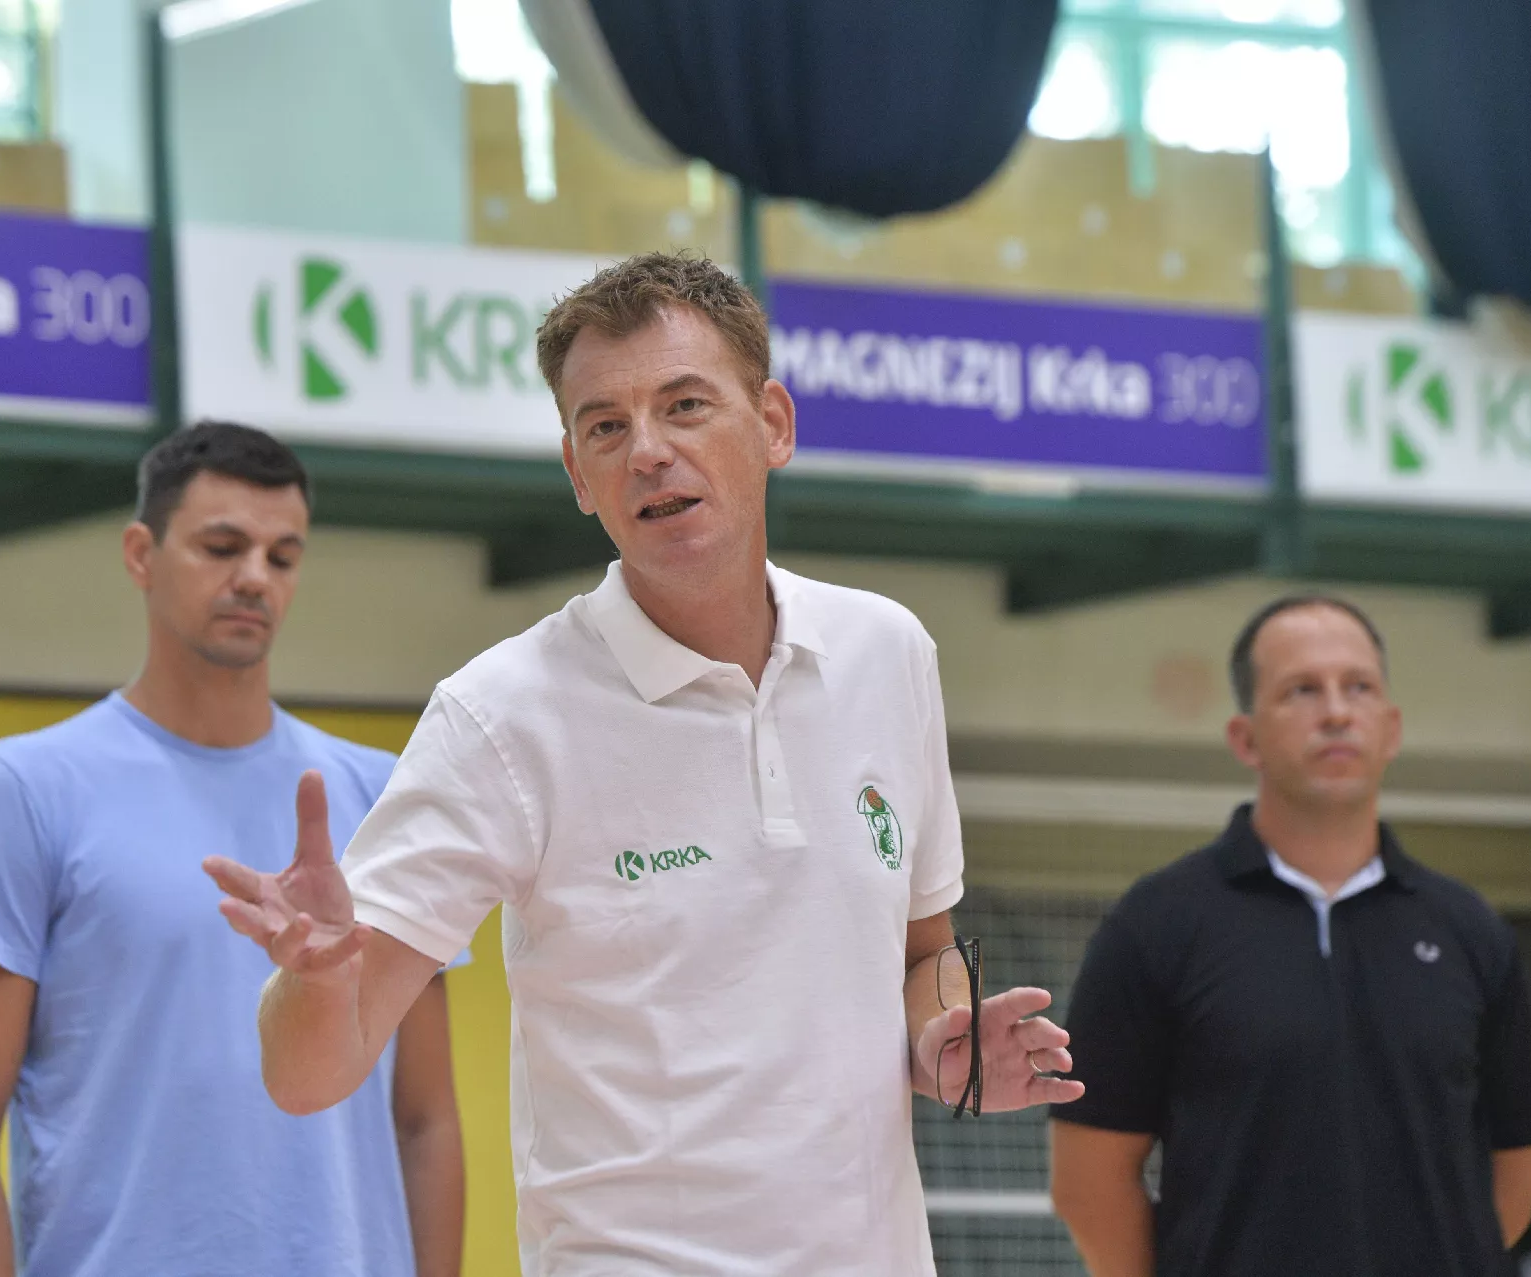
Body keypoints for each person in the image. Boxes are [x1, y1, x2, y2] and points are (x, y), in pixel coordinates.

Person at [204, 253, 1084, 1276]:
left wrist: (943, 1040)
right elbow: (306, 1075)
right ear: (577, 475)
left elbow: (920, 951)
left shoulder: (886, 653)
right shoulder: (500, 714)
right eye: (605, 427)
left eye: (684, 406)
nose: (648, 451)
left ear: (773, 424)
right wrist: (317, 978)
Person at [0, 422, 465, 1277]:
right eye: (222, 546)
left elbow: (426, 1120)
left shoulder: (377, 793)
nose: (255, 577)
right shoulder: (25, 789)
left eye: (283, 556)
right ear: (141, 553)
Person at [1049, 595, 1531, 1277]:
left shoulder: (1469, 929)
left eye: (1359, 687)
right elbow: (1090, 1182)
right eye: (1301, 690)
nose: (1336, 711)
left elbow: (1517, 1159)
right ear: (1244, 738)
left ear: (1392, 728)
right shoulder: (1156, 923)